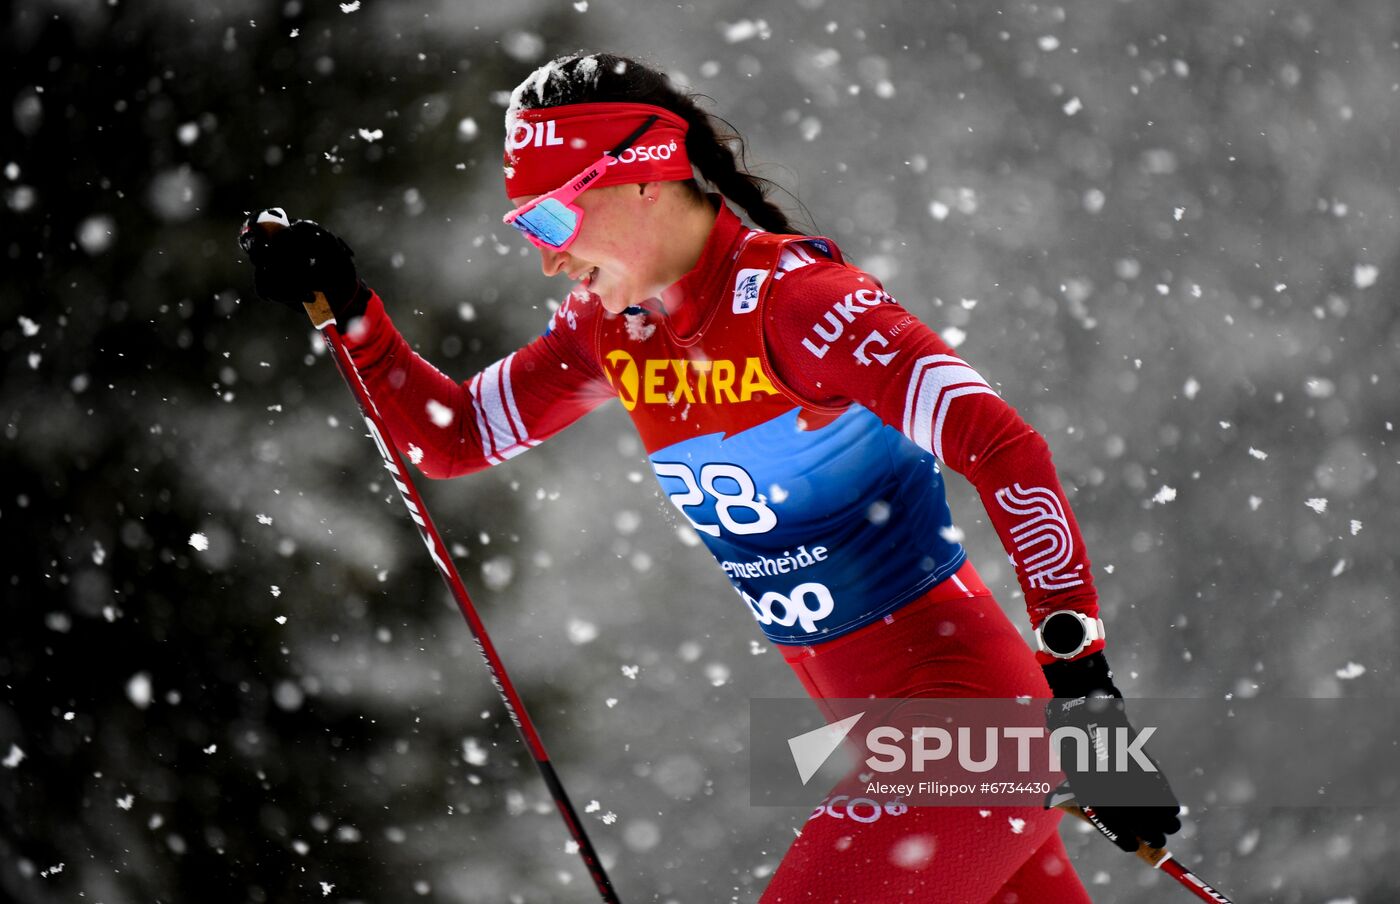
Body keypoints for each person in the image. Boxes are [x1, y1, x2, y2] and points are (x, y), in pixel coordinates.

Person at [241, 52, 1180, 903]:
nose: (545, 252)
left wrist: (1090, 713)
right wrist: (353, 313)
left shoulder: (800, 304)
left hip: (974, 740)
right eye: (526, 223)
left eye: (554, 212)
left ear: (647, 175)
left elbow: (1004, 449)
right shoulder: (615, 329)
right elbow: (453, 438)